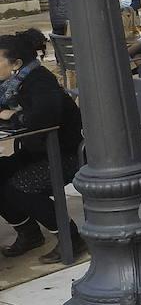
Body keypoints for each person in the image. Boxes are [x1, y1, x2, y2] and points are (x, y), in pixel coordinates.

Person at [0, 30, 85, 262]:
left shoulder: (39, 81)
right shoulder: (12, 84)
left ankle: (71, 238)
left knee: (19, 187)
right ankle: (28, 233)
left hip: (64, 153)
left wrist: (12, 116)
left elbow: (42, 118)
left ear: (16, 64)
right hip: (37, 150)